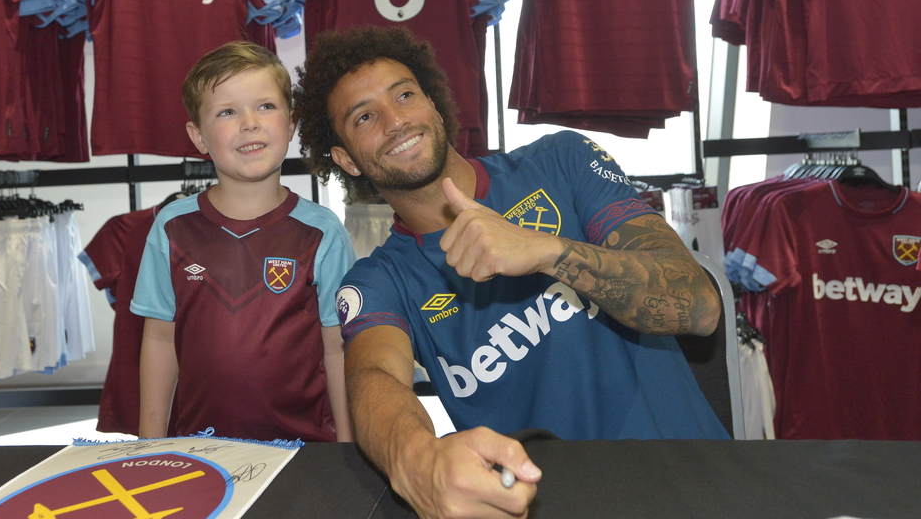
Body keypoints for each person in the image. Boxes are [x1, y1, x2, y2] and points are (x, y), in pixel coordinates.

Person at [292, 26, 728, 518]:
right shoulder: (378, 280)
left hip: (693, 486)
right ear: (348, 159)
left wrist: (550, 253)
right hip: (531, 504)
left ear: (434, 105)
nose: (395, 121)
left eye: (406, 95)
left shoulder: (561, 161)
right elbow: (374, 378)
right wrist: (422, 464)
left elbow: (700, 306)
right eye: (365, 116)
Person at [133, 41, 355, 443]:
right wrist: (149, 444)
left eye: (265, 106)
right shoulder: (171, 227)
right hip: (200, 452)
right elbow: (160, 339)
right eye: (227, 112)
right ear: (198, 137)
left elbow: (337, 349)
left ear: (290, 124)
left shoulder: (324, 232)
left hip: (305, 453)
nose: (249, 122)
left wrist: (348, 449)